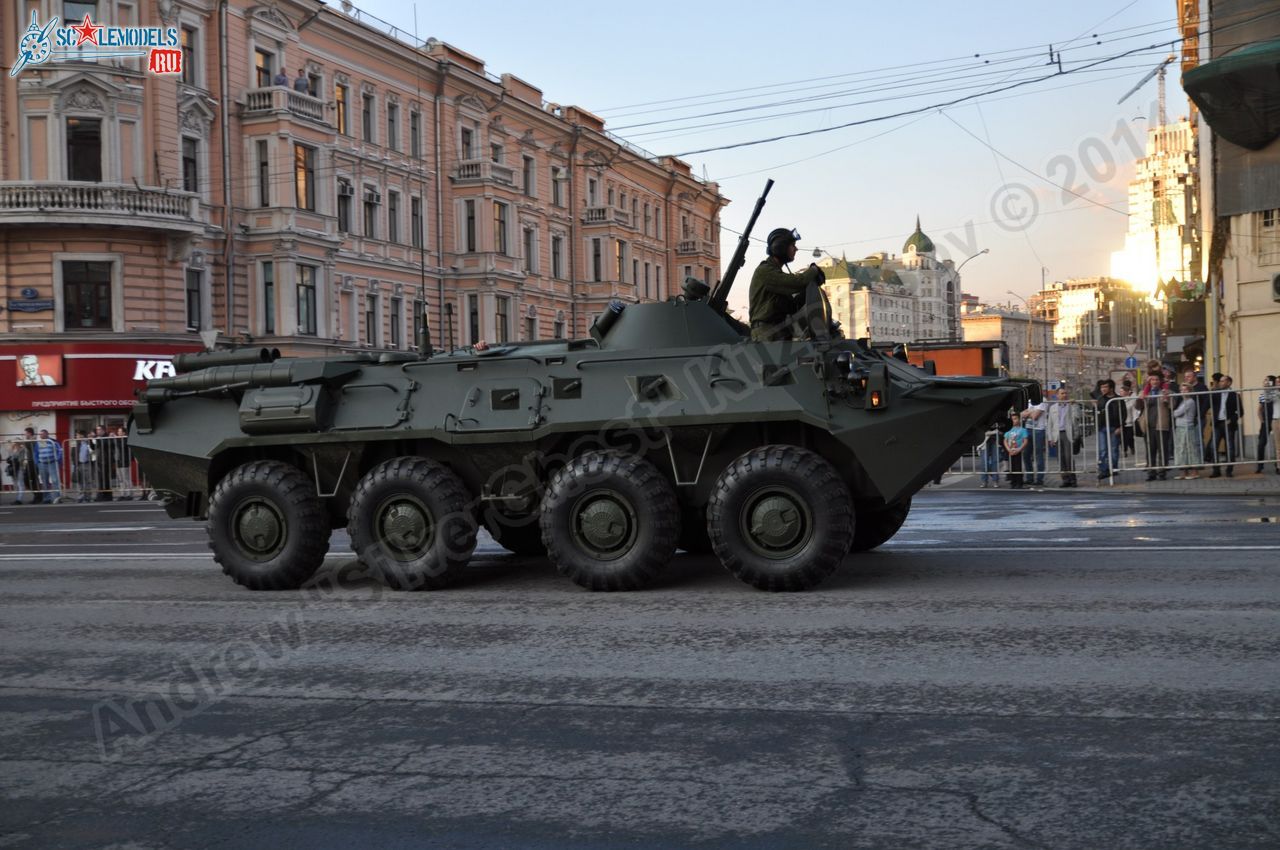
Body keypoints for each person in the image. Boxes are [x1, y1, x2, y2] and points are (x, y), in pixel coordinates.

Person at [747, 228, 824, 342]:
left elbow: (792, 307)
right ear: (780, 247)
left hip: (776, 332)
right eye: (792, 245)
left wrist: (809, 290)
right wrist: (813, 270)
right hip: (766, 334)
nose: (796, 249)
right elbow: (797, 282)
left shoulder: (776, 274)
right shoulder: (765, 271)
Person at [1209, 374, 1241, 478]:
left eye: (1223, 381)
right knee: (1213, 446)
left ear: (1229, 383)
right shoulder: (1216, 393)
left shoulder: (1234, 395)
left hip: (1228, 424)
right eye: (1220, 381)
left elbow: (1240, 411)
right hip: (1217, 424)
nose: (1221, 383)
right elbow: (1208, 402)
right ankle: (1216, 470)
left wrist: (1231, 419)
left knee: (1230, 448)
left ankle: (1229, 470)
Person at [1093, 379, 1125, 479]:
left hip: (1114, 427)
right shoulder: (1100, 399)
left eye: (1105, 387)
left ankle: (1113, 468)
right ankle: (1104, 470)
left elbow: (1124, 414)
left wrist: (1120, 426)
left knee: (1114, 449)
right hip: (1102, 428)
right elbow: (1096, 414)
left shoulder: (1118, 399)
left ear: (1111, 388)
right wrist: (1095, 407)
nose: (1103, 389)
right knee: (1102, 450)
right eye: (1102, 387)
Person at [1047, 387, 1078, 488]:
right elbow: (1050, 424)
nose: (1064, 395)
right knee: (1060, 458)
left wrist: (1074, 405)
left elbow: (1077, 416)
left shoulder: (1071, 406)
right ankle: (1065, 479)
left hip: (1068, 434)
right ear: (1057, 395)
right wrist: (1050, 438)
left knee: (1069, 457)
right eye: (1062, 393)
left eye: (1065, 393)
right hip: (1057, 434)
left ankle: (1073, 479)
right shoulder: (1053, 408)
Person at [1172, 382, 1201, 479]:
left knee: (1190, 449)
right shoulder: (1182, 401)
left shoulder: (1190, 401)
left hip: (1187, 427)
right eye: (1181, 390)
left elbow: (1177, 413)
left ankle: (1194, 472)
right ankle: (1184, 472)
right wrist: (1175, 412)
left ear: (1190, 391)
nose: (1183, 392)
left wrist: (1175, 412)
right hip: (1180, 427)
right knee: (1181, 450)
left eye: (1185, 390)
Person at [1022, 397, 1049, 486]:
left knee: (1038, 455)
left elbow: (1035, 416)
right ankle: (1029, 478)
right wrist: (1031, 412)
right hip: (1028, 429)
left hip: (1039, 430)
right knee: (1026, 454)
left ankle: (1039, 479)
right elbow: (1021, 414)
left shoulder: (1042, 400)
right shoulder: (1027, 400)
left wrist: (1028, 412)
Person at [33, 428, 62, 503]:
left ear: (46, 434)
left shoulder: (53, 441)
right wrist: (37, 462)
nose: (40, 435)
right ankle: (47, 498)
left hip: (52, 463)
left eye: (42, 434)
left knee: (55, 480)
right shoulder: (38, 442)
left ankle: (57, 497)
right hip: (42, 464)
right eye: (40, 434)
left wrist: (57, 460)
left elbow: (59, 450)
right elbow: (36, 453)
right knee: (44, 481)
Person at [1003, 410, 1030, 489]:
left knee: (1018, 467)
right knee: (1012, 467)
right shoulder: (1009, 430)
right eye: (1012, 419)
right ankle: (1013, 482)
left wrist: (1019, 449)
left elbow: (1025, 441)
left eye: (1015, 419)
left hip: (1018, 450)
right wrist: (1008, 449)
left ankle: (1019, 482)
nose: (1013, 421)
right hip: (1010, 451)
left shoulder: (1023, 430)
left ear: (1019, 419)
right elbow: (1005, 440)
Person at [1257, 375, 1276, 474]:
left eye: (1267, 380)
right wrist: (1262, 420)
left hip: (1276, 419)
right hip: (1266, 421)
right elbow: (1259, 409)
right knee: (1261, 443)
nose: (1265, 382)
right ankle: (1259, 466)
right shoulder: (1262, 394)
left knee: (1277, 444)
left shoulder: (1276, 392)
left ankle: (1278, 466)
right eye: (1264, 380)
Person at [4, 441, 28, 505]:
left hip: (19, 468)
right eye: (15, 443)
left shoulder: (22, 449)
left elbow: (19, 459)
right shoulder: (12, 449)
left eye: (17, 443)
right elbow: (9, 457)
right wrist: (11, 447)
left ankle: (19, 499)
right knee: (15, 484)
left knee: (20, 483)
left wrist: (19, 448)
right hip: (13, 468)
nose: (15, 444)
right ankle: (17, 498)